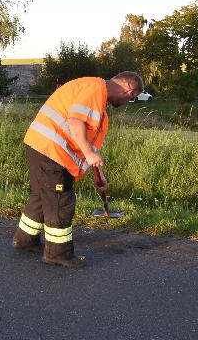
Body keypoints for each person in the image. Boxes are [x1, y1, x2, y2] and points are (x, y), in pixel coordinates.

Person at [12, 71, 143, 267]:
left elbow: (88, 143)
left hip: (42, 146)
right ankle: (57, 253)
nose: (127, 102)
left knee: (42, 196)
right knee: (60, 200)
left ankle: (25, 241)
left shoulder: (96, 96)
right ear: (128, 89)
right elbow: (75, 122)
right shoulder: (95, 89)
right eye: (131, 98)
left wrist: (100, 175)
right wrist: (89, 154)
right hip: (51, 151)